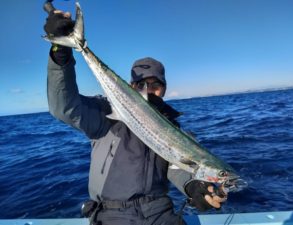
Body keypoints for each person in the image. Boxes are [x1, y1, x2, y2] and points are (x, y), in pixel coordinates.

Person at [44, 9, 227, 225]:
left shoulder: (174, 128)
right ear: (131, 86)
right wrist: (60, 52)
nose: (149, 90)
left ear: (165, 89)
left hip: (160, 213)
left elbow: (177, 165)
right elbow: (63, 107)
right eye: (141, 85)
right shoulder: (105, 113)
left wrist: (193, 185)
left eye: (156, 85)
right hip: (112, 214)